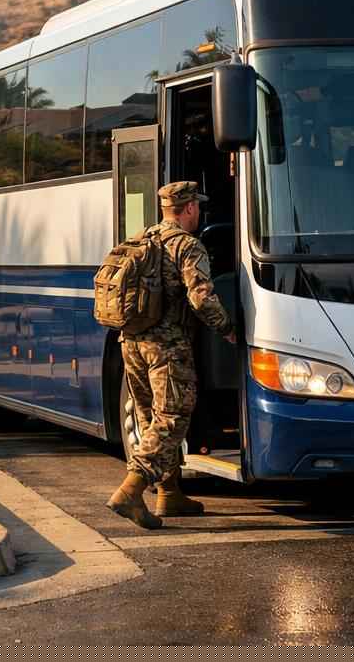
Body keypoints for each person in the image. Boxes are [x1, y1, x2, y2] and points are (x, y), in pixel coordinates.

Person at [106, 180, 236, 530]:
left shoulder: (143, 237)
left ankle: (169, 493)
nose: (199, 213)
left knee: (149, 417)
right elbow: (201, 298)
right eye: (197, 207)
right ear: (190, 208)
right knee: (173, 417)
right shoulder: (188, 246)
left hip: (131, 342)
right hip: (167, 347)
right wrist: (227, 328)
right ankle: (131, 490)